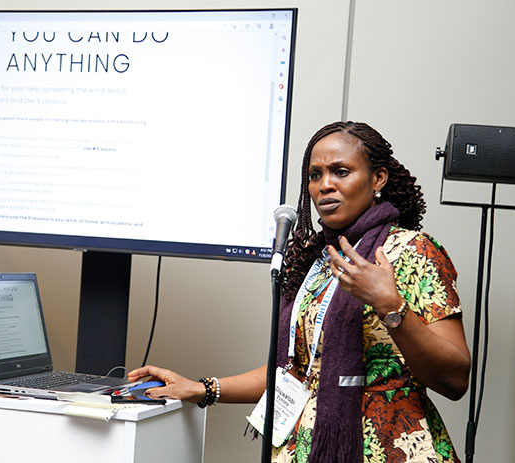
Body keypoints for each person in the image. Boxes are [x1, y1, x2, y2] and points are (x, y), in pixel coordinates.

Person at [128, 121, 471, 463]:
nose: (325, 186)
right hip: (305, 448)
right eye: (315, 175)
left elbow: (454, 379)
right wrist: (201, 388)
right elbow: (298, 372)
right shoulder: (318, 258)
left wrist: (390, 305)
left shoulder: (413, 252)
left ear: (377, 179)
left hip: (388, 447)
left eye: (341, 172)